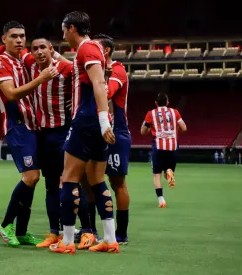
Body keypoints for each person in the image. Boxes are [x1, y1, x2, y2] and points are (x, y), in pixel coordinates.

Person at [49, 11, 119, 255]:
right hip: (95, 120)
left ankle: (67, 241)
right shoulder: (94, 49)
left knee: (68, 177)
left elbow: (99, 84)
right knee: (97, 179)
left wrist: (101, 120)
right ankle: (109, 239)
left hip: (88, 120)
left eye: (63, 30)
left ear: (71, 28)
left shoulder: (86, 48)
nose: (63, 34)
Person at [0, 21, 58, 247]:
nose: (19, 40)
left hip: (34, 125)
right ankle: (6, 225)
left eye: (22, 36)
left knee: (33, 180)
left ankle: (21, 231)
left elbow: (46, 55)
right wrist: (40, 79)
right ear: (4, 39)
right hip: (17, 126)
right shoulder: (0, 62)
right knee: (31, 177)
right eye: (13, 36)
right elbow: (10, 94)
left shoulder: (24, 59)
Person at [93, 33, 131, 245]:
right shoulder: (94, 69)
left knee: (117, 182)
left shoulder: (117, 69)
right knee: (89, 180)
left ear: (105, 50)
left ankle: (121, 233)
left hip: (116, 132)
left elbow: (107, 93)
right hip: (95, 131)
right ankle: (90, 229)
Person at [141, 92, 187, 208]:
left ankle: (161, 200)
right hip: (173, 146)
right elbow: (184, 128)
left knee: (156, 174)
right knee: (168, 170)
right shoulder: (175, 112)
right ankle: (169, 174)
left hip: (158, 146)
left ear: (155, 103)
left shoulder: (151, 114)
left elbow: (143, 132)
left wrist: (150, 129)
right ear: (167, 102)